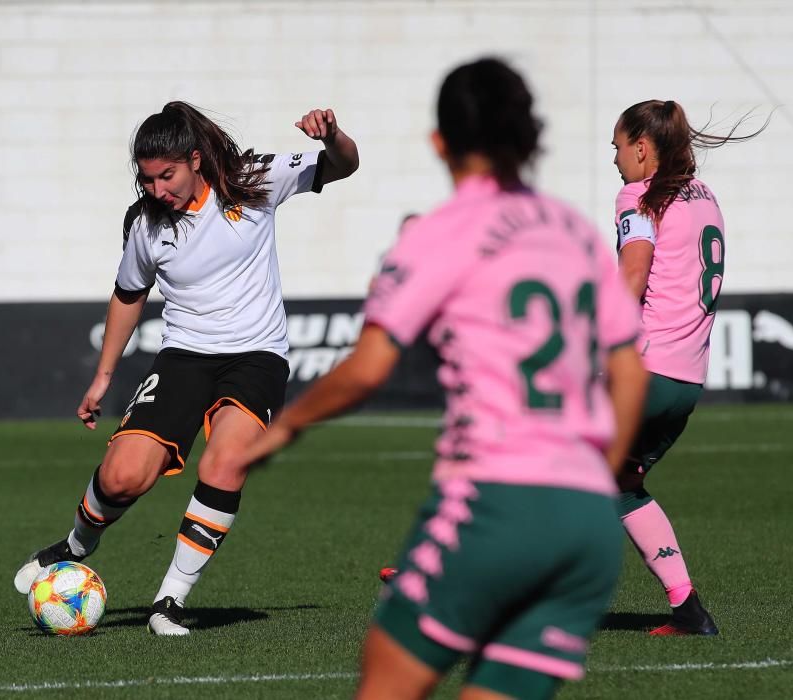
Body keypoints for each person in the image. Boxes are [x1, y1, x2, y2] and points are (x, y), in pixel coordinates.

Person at [238, 58, 648, 700]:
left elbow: (371, 365)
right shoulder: (574, 230)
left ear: (440, 142)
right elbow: (628, 371)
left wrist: (286, 424)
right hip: (586, 530)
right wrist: (598, 480)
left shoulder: (440, 233)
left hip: (495, 505)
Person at [13, 100, 359, 636]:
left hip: (256, 357)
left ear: (196, 159)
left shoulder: (253, 180)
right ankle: (76, 545)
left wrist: (332, 137)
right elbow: (129, 294)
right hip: (184, 356)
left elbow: (344, 165)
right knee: (123, 475)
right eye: (147, 180)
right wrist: (103, 375)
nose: (157, 190)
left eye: (166, 176)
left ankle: (170, 600)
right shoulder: (145, 223)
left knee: (225, 465)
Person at [611, 99, 765, 635]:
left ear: (642, 148)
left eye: (617, 148)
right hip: (686, 382)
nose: (615, 160)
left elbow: (634, 277)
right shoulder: (705, 196)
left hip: (643, 370)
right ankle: (688, 610)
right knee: (622, 486)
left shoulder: (638, 196)